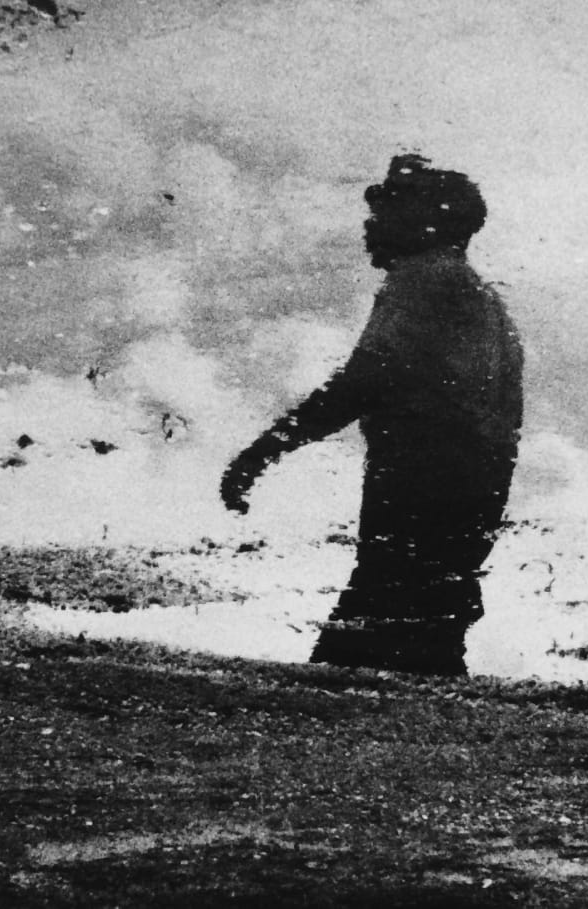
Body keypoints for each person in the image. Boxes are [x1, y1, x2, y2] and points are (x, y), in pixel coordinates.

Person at [220, 154, 523, 676]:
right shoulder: (484, 299)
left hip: (421, 481)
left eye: (385, 213)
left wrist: (263, 451)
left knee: (366, 641)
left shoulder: (424, 281)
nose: (369, 226)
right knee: (423, 634)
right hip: (473, 484)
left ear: (422, 223)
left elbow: (363, 382)